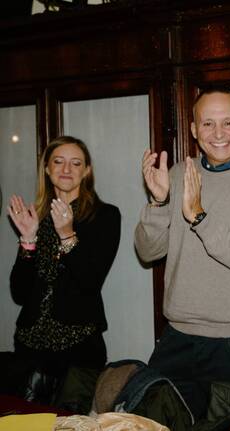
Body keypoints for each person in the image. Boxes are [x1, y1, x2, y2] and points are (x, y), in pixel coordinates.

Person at [134, 85, 230, 420]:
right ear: (193, 129)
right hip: (177, 338)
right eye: (207, 124)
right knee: (162, 424)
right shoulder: (176, 175)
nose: (218, 133)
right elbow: (147, 252)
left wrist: (200, 217)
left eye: (228, 123)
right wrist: (158, 202)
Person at [3, 135, 121, 404]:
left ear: (86, 170)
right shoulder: (36, 216)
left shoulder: (104, 216)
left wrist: (67, 235)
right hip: (29, 346)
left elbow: (90, 282)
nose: (66, 170)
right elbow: (20, 293)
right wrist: (28, 240)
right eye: (58, 162)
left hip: (78, 348)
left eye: (75, 163)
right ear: (46, 168)